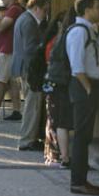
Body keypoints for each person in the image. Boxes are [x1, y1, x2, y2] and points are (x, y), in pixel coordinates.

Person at [65, 0, 99, 196]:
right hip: (83, 85)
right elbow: (76, 66)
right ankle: (77, 181)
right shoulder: (78, 32)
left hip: (90, 84)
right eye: (97, 8)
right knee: (81, 136)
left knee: (85, 136)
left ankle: (81, 179)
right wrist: (87, 88)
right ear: (87, 10)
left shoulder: (90, 30)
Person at [12, 0, 50, 151]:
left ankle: (31, 138)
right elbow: (30, 48)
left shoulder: (24, 19)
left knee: (32, 104)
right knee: (32, 105)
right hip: (29, 69)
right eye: (45, 10)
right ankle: (27, 140)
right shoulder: (29, 22)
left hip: (24, 67)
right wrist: (45, 48)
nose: (46, 14)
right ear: (36, 8)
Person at [42, 9, 75, 167]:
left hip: (52, 83)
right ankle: (58, 156)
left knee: (54, 121)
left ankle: (54, 155)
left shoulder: (56, 39)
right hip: (61, 84)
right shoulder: (65, 38)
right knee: (59, 122)